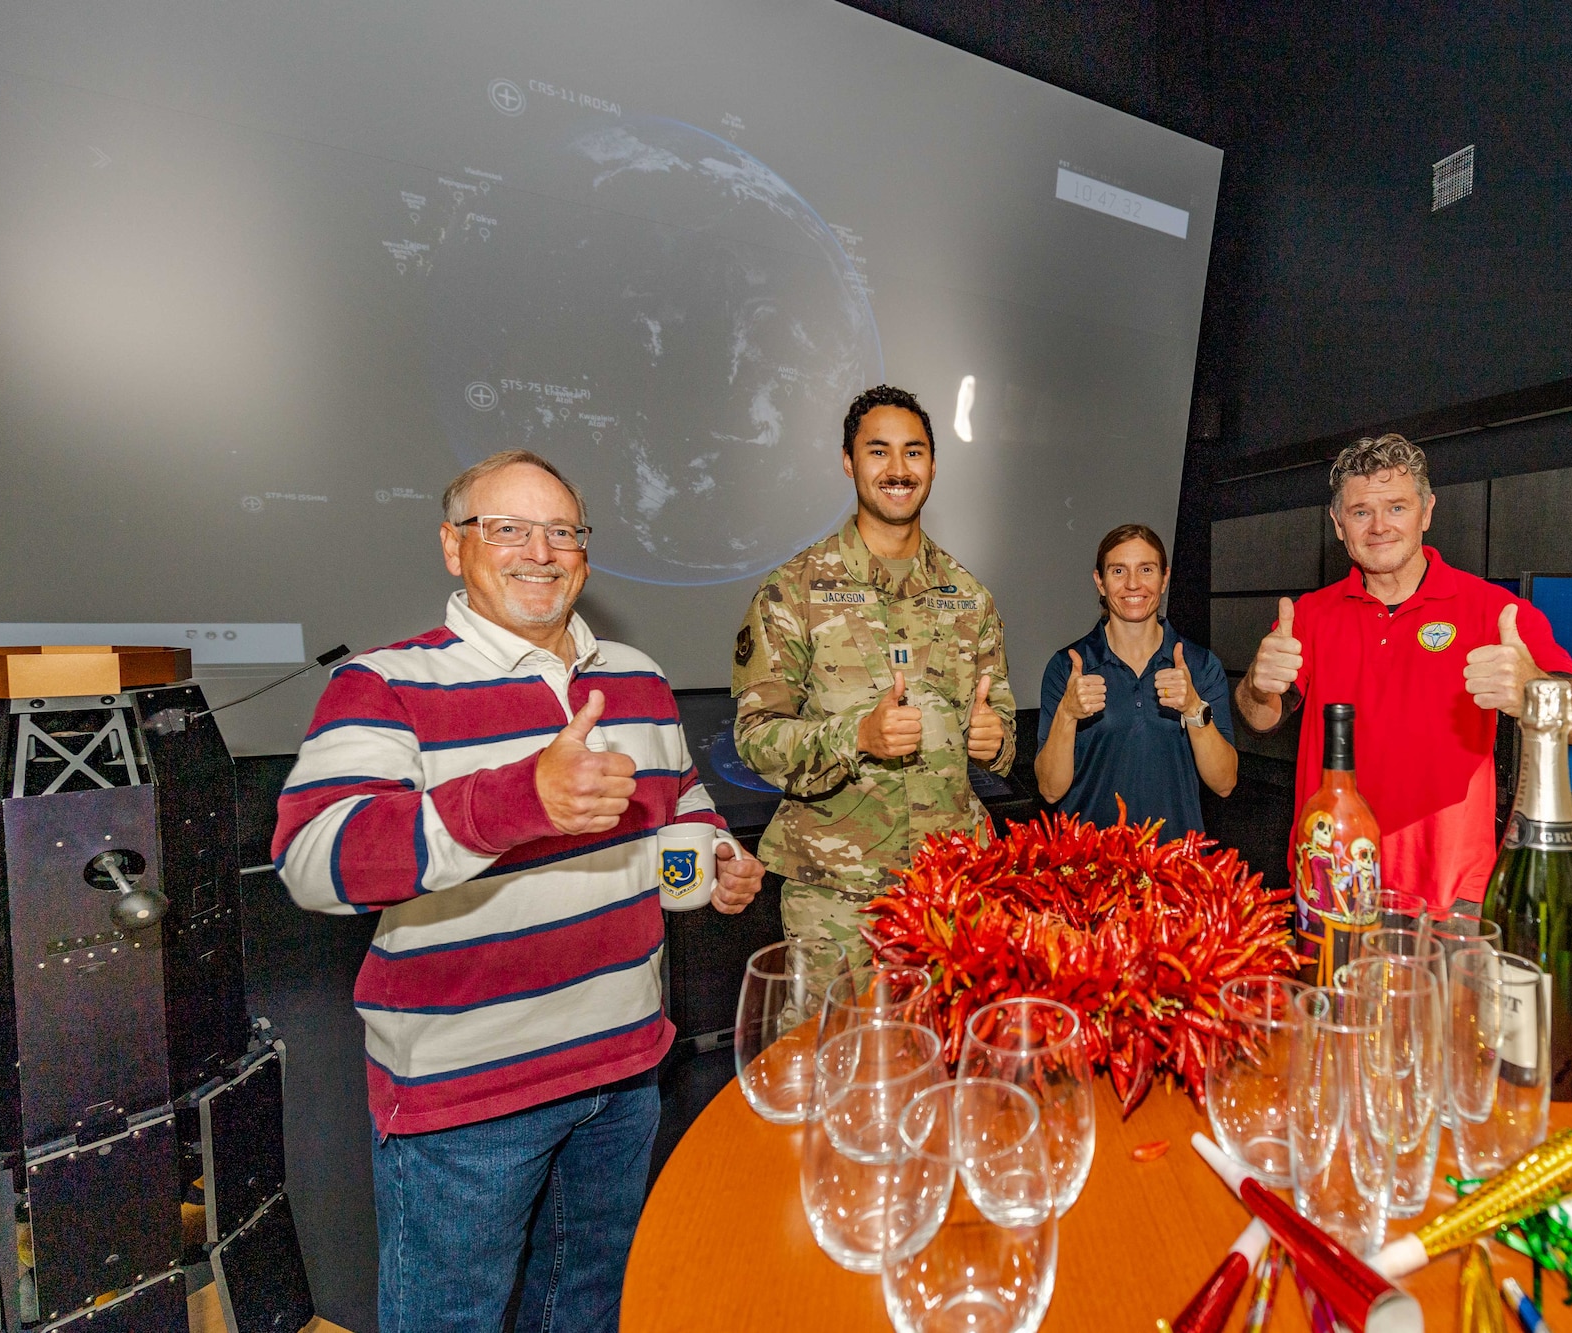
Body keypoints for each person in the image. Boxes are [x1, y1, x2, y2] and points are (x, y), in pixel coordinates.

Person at [273, 449, 765, 1333]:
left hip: (622, 1073)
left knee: (586, 1313)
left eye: (563, 531)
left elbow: (680, 799)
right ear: (454, 548)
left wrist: (721, 855)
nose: (540, 550)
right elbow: (313, 858)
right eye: (507, 528)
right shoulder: (385, 685)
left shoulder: (638, 676)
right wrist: (518, 799)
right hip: (467, 1102)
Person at [1232, 433, 1572, 911]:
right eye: (1361, 511)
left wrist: (1536, 689)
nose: (1379, 526)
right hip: (1331, 877)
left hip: (1450, 895)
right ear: (1338, 523)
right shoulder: (1308, 615)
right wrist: (1257, 684)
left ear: (1427, 512)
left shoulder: (1492, 609)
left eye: (1397, 508)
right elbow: (1260, 719)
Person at [732, 385, 1016, 964]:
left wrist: (997, 739)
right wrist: (856, 737)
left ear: (933, 466)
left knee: (950, 1051)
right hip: (838, 896)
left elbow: (1000, 720)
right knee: (833, 1050)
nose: (897, 468)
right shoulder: (793, 591)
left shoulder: (969, 596)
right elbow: (756, 737)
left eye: (913, 452)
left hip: (954, 890)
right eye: (878, 450)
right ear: (848, 462)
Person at [1036, 522, 1237, 834]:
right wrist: (1067, 713)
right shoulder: (1068, 667)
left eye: (1146, 569)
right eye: (1118, 571)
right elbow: (1050, 789)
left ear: (1164, 578)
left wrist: (1194, 707)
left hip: (1176, 866)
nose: (1133, 584)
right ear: (1099, 582)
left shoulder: (1200, 665)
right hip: (1088, 867)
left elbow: (1224, 784)